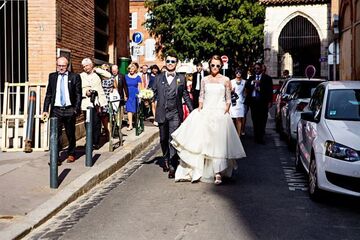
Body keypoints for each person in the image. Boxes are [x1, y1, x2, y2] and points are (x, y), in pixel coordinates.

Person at [171, 55, 246, 185]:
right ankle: (199, 170)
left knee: (218, 144)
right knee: (205, 142)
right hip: (207, 112)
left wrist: (225, 111)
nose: (215, 67)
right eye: (213, 65)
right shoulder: (205, 80)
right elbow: (201, 97)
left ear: (221, 66)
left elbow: (228, 99)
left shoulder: (226, 80)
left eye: (218, 65)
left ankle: (218, 172)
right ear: (209, 66)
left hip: (220, 114)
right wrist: (199, 109)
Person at [152, 52, 193, 178]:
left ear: (177, 63)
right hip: (162, 113)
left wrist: (192, 109)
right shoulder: (158, 78)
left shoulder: (181, 78)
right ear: (165, 62)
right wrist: (146, 98)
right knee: (163, 139)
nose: (170, 64)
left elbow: (185, 94)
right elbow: (152, 92)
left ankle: (172, 165)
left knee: (172, 139)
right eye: (168, 61)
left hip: (175, 112)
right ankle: (165, 158)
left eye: (173, 61)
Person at [42, 56, 82, 164]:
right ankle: (56, 158)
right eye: (58, 65)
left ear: (67, 66)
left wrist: (76, 109)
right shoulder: (52, 76)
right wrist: (45, 109)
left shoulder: (75, 77)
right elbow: (49, 94)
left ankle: (71, 153)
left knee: (70, 133)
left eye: (63, 66)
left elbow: (78, 94)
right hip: (56, 110)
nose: (60, 68)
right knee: (55, 134)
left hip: (69, 109)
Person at [80, 58, 108, 150]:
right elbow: (78, 88)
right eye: (84, 66)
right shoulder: (81, 76)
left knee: (96, 122)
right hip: (86, 102)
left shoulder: (98, 74)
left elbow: (108, 75)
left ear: (91, 65)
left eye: (87, 65)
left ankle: (96, 142)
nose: (85, 68)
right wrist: (85, 92)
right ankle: (89, 141)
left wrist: (97, 69)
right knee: (87, 122)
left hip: (97, 102)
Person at [245, 62, 273, 144]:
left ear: (261, 69)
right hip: (253, 101)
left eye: (258, 68)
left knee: (262, 120)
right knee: (255, 119)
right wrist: (253, 84)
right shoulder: (251, 78)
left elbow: (269, 90)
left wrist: (259, 86)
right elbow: (247, 87)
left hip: (263, 101)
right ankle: (256, 136)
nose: (256, 70)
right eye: (255, 68)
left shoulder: (267, 78)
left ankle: (261, 136)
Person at [95, 64, 114, 140]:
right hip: (101, 99)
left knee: (107, 117)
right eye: (104, 70)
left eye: (107, 70)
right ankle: (105, 132)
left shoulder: (110, 77)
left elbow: (115, 86)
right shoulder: (98, 78)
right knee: (102, 117)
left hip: (108, 99)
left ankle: (108, 133)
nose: (105, 71)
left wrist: (113, 88)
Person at [230, 68, 247, 137]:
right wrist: (231, 91)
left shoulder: (244, 82)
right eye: (237, 72)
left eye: (240, 72)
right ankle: (234, 134)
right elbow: (229, 91)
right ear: (235, 73)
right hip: (233, 101)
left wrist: (245, 94)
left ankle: (238, 135)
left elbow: (246, 92)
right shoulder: (231, 81)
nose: (238, 73)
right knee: (233, 118)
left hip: (241, 102)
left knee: (239, 118)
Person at [125, 62, 142, 131]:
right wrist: (124, 95)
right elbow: (124, 86)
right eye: (130, 69)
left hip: (135, 94)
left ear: (135, 69)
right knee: (129, 109)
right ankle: (130, 125)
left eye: (132, 68)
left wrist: (140, 95)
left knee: (135, 110)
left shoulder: (138, 77)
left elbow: (140, 87)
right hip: (128, 94)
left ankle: (136, 122)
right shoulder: (126, 76)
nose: (131, 70)